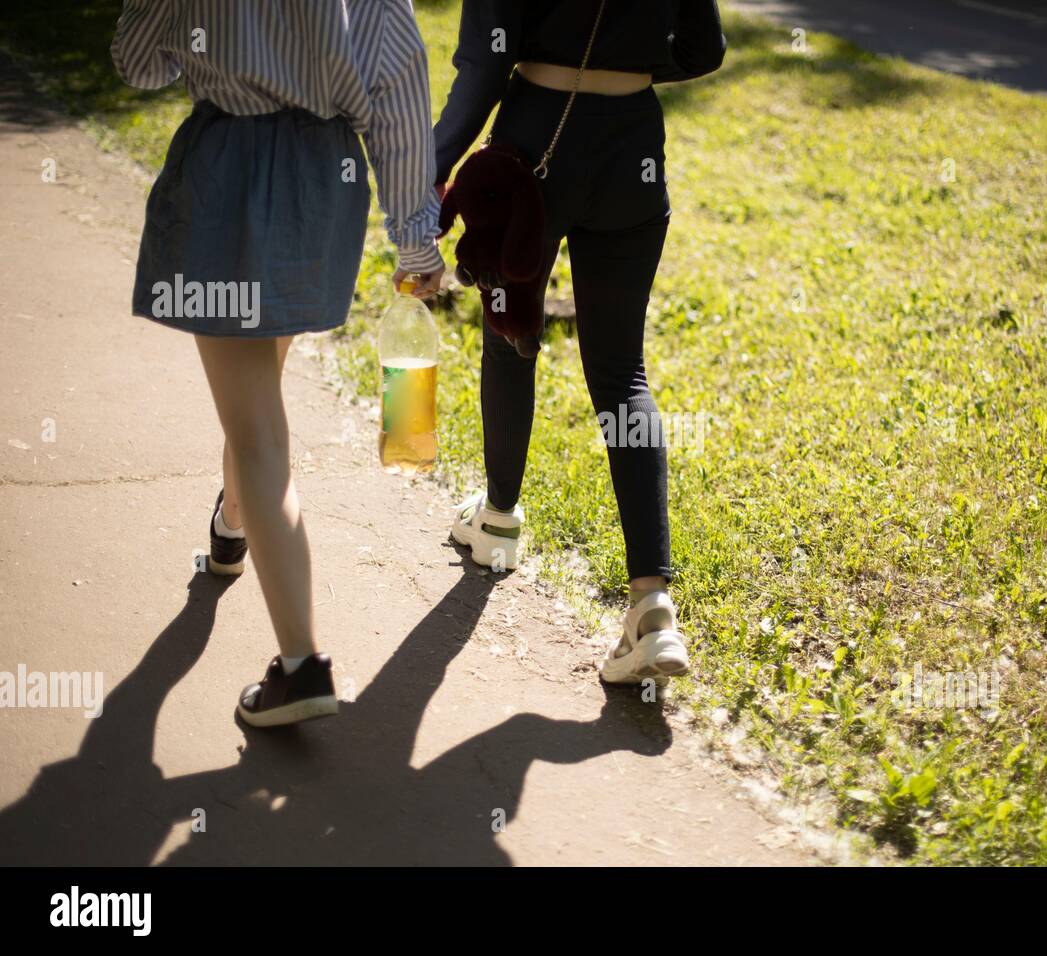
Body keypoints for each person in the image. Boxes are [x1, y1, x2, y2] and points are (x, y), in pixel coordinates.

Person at [111, 0, 445, 726]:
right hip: (323, 184)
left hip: (227, 172)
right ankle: (234, 520)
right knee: (258, 394)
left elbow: (137, 65)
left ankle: (302, 664)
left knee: (257, 423)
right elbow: (399, 98)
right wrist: (417, 241)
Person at [435, 1, 726, 684]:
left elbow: (485, 58)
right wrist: (625, 64)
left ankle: (499, 518)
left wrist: (434, 166)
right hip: (631, 142)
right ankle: (652, 606)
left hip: (536, 134)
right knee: (623, 370)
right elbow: (704, 47)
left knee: (511, 329)